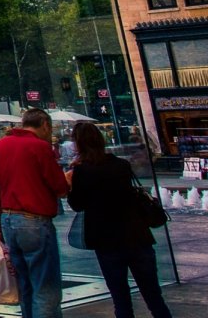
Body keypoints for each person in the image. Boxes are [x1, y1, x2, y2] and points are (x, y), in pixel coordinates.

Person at [65, 122, 170, 318]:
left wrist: (71, 185)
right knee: (153, 296)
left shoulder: (81, 172)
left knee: (120, 298)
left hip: (106, 240)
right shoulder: (122, 165)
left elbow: (77, 205)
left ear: (78, 144)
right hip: (136, 234)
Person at [0, 109, 69, 318]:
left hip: (8, 219)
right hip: (34, 219)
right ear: (44, 124)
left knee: (25, 283)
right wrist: (68, 177)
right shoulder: (40, 147)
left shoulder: (1, 145)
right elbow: (60, 188)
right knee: (45, 285)